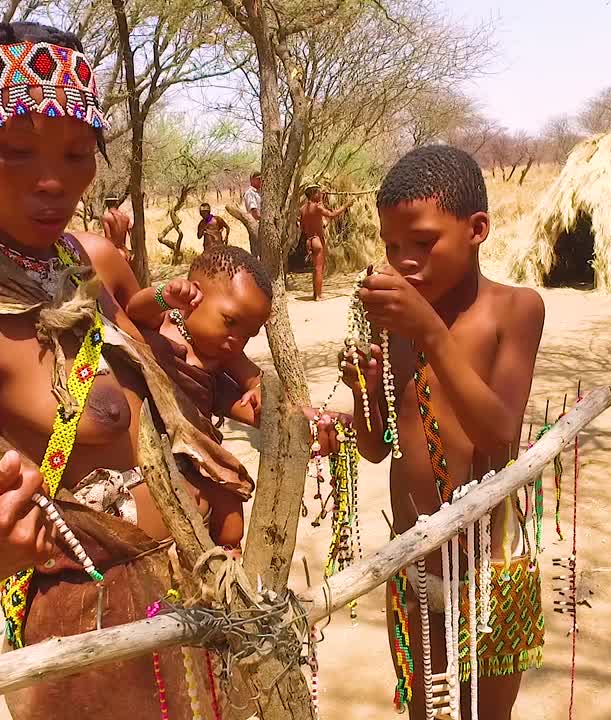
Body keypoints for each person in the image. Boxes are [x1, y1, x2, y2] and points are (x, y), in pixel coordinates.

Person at [0, 21, 251, 720]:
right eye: (16, 153)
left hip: (198, 600)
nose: (53, 180)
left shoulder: (92, 262)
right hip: (89, 649)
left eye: (78, 153)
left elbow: (170, 390)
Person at [325, 145, 546, 720]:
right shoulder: (394, 321)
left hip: (491, 560)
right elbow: (378, 448)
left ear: (477, 230)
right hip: (416, 560)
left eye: (423, 243)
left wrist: (429, 333)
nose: (404, 262)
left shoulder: (515, 310)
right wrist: (363, 390)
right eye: (392, 247)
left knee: (487, 712)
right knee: (430, 710)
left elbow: (499, 437)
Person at [126, 244, 270, 431]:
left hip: (193, 446)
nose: (237, 340)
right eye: (230, 322)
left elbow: (254, 377)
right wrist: (163, 297)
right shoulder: (165, 322)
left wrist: (258, 389)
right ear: (196, 295)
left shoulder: (227, 355)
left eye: (248, 335)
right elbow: (134, 310)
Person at [298, 185, 350, 301]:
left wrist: (320, 225)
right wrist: (346, 205)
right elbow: (332, 215)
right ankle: (318, 295)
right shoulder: (317, 207)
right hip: (317, 241)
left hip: (309, 240)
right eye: (319, 193)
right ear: (313, 194)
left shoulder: (302, 209)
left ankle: (315, 293)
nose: (321, 195)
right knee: (319, 268)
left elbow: (302, 227)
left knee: (315, 269)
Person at [101, 194, 133, 262]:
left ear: (106, 204)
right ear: (117, 203)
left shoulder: (106, 217)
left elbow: (108, 237)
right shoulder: (125, 217)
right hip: (125, 251)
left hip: (114, 251)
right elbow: (132, 233)